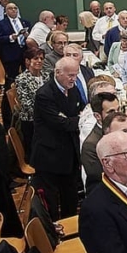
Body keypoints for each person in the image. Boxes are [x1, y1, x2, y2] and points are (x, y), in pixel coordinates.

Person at [30, 57, 84, 219]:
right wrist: (78, 119)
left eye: (76, 75)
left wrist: (73, 119)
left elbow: (79, 112)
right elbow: (63, 124)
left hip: (69, 154)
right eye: (70, 75)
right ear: (58, 72)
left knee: (71, 197)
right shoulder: (44, 94)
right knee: (51, 202)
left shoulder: (73, 89)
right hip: (50, 157)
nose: (74, 79)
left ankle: (71, 224)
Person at [12, 46, 45, 154]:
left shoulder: (47, 76)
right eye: (36, 58)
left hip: (47, 117)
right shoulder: (22, 79)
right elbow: (27, 105)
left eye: (41, 58)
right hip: (30, 120)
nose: (39, 61)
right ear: (27, 61)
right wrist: (45, 115)